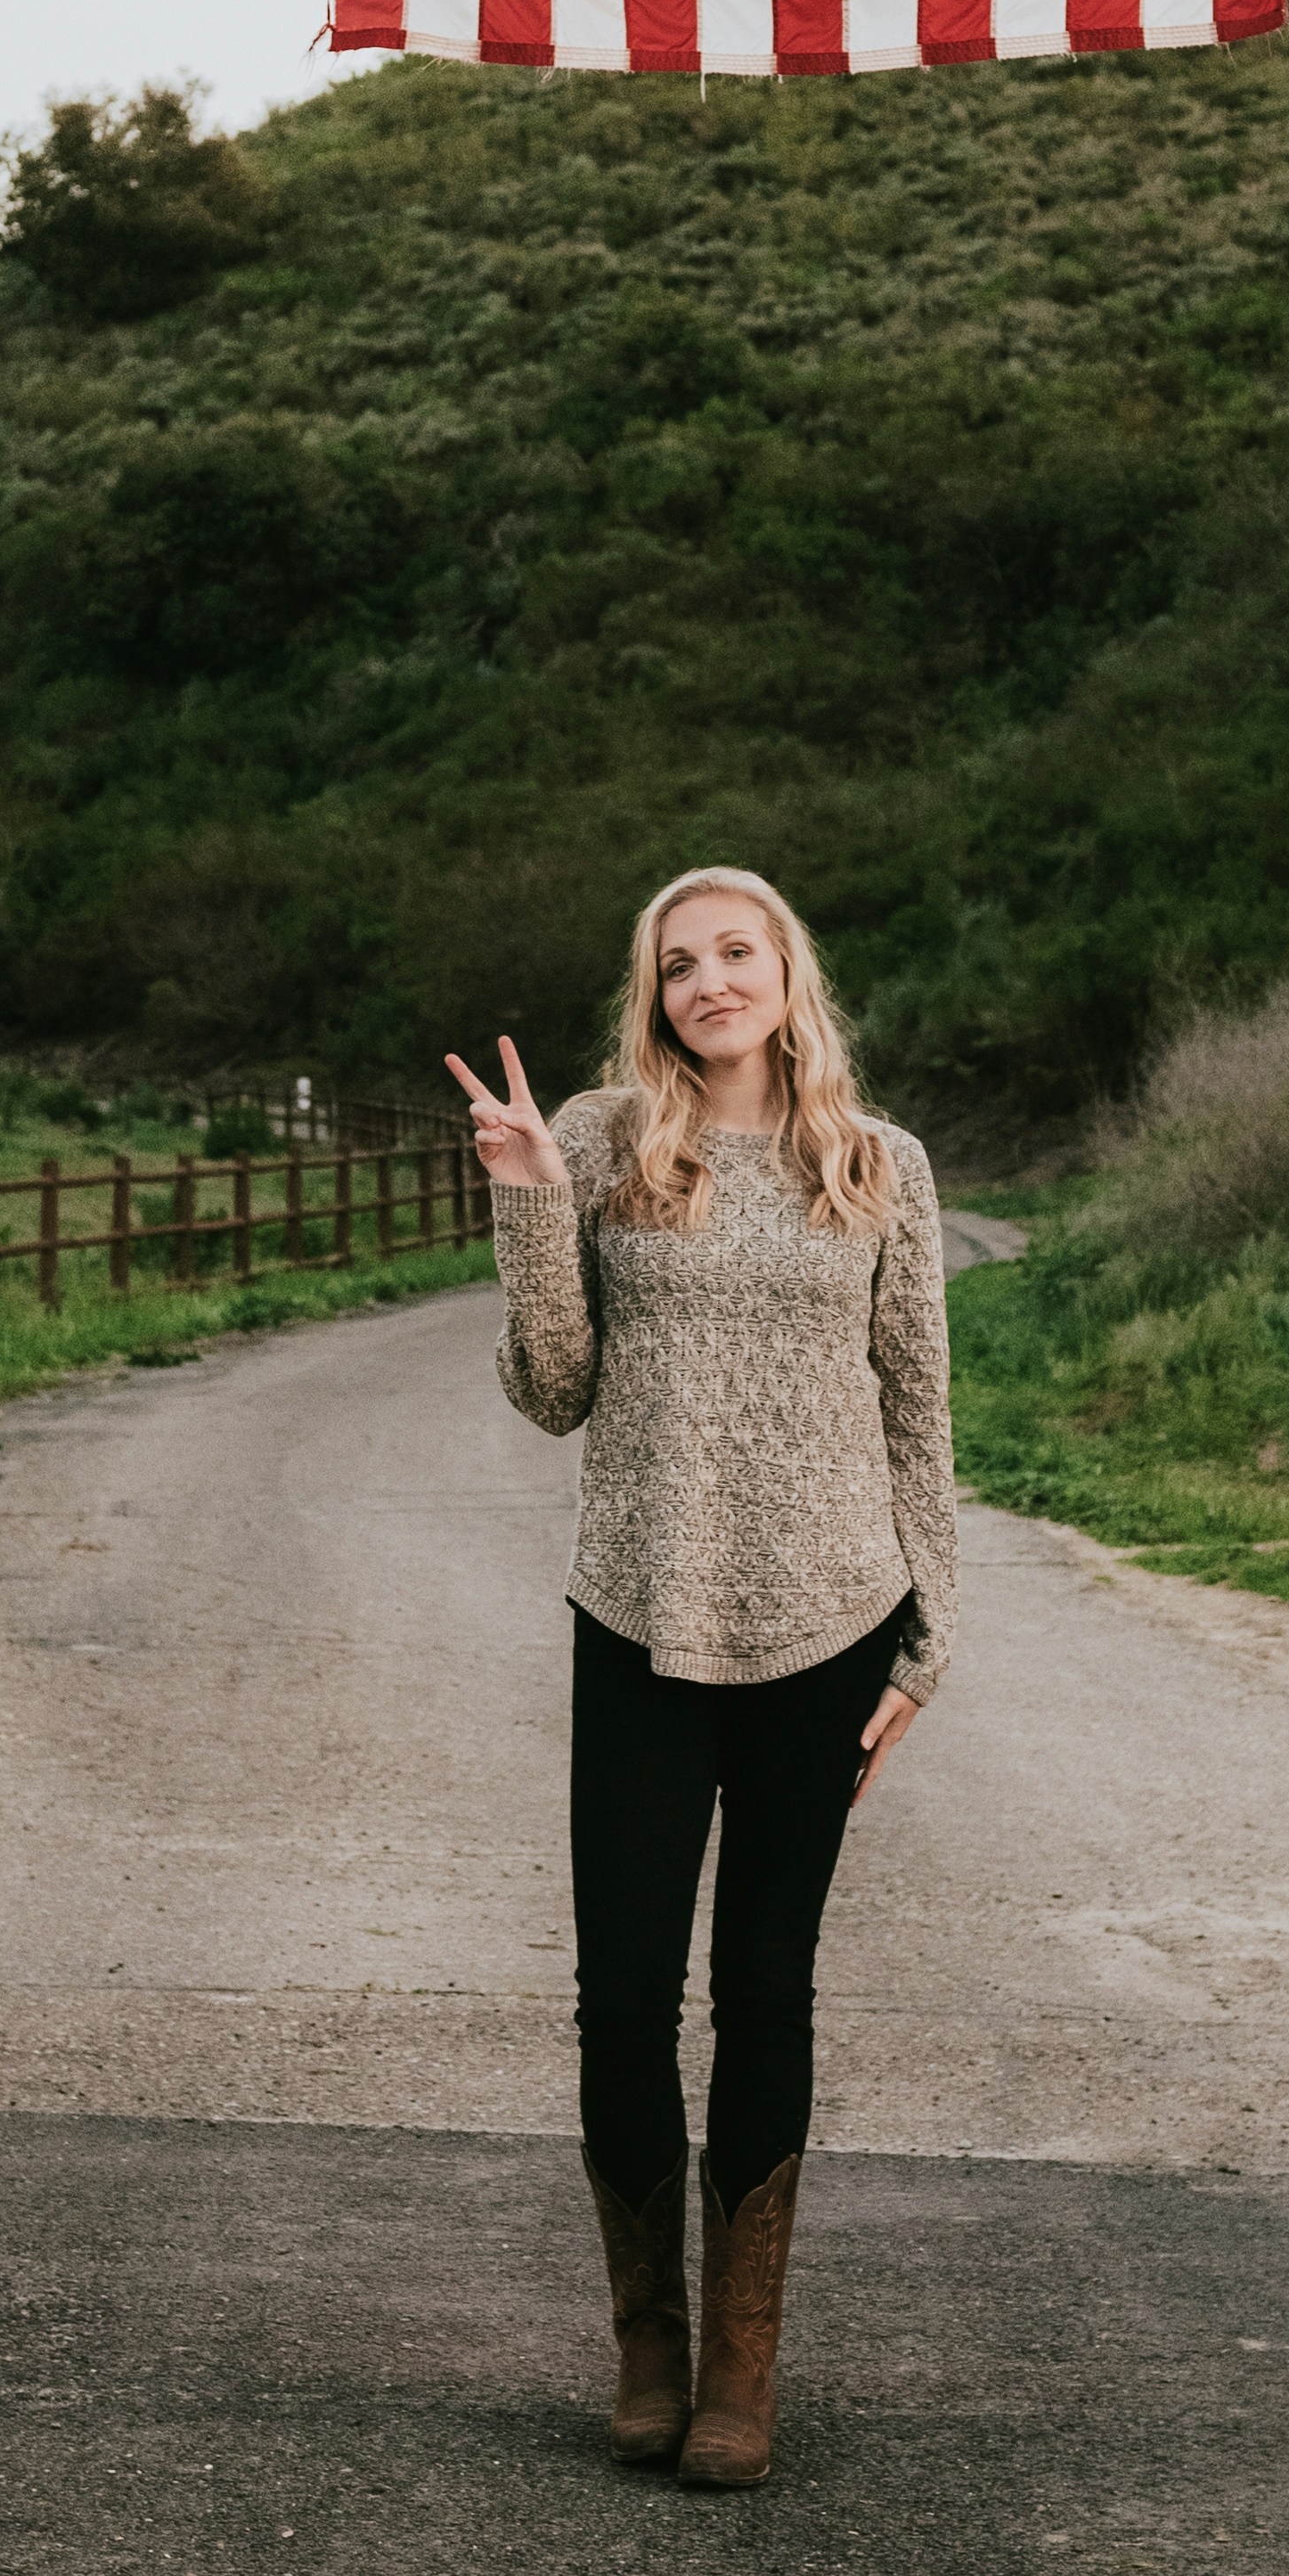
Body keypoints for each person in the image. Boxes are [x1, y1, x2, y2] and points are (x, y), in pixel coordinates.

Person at [448, 867, 955, 2490]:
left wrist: (930, 1634)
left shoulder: (882, 1167)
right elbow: (553, 1391)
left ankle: (745, 2369)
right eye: (681, 964)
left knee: (767, 1993)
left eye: (738, 953)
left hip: (830, 1621)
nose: (710, 983)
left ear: (790, 972)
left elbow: (917, 1409)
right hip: (639, 1614)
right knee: (620, 1999)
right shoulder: (601, 1139)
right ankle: (650, 2345)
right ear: (655, 993)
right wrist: (531, 1192)